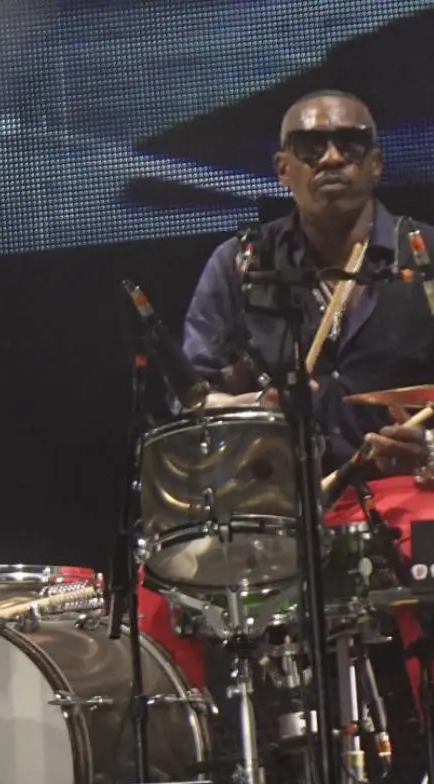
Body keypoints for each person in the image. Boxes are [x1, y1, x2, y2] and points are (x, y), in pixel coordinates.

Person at [138, 90, 434, 703]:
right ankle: (212, 757)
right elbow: (189, 402)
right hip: (277, 505)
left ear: (375, 164)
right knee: (160, 590)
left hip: (407, 494)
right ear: (283, 168)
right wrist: (252, 409)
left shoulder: (424, 258)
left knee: (426, 543)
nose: (331, 158)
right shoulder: (240, 264)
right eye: (310, 146)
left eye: (349, 145)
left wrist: (428, 448)